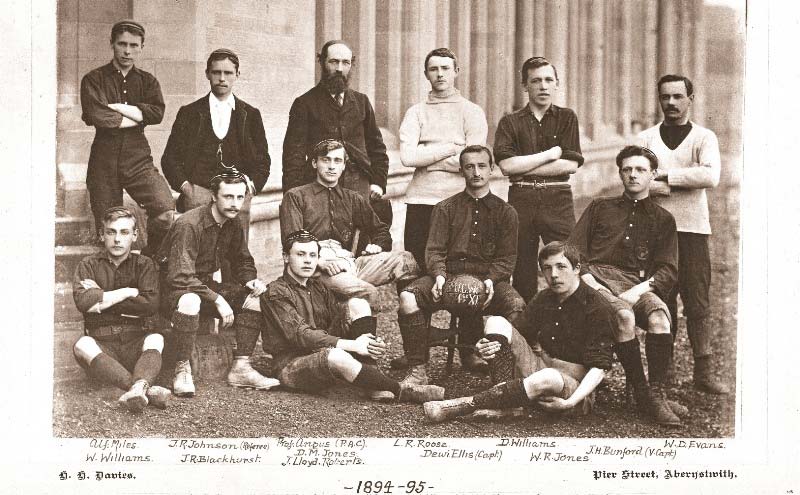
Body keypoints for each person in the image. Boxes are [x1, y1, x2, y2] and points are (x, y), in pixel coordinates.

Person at [423, 242, 614, 423]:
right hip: (540, 368)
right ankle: (506, 404)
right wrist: (482, 346)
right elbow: (515, 334)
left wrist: (570, 402)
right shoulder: (545, 297)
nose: (554, 275)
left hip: (573, 389)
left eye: (561, 267)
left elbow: (600, 368)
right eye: (547, 268)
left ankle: (463, 405)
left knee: (548, 377)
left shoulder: (597, 307)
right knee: (496, 322)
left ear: (577, 268)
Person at [568, 145, 683, 426]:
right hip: (596, 279)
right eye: (627, 169)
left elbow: (668, 268)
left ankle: (656, 393)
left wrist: (639, 290)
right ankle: (643, 395)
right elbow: (573, 251)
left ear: (653, 175)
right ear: (620, 173)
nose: (633, 175)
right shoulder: (599, 207)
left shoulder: (663, 219)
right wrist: (590, 281)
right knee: (623, 316)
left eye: (641, 170)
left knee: (659, 318)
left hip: (639, 283)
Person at [260, 229, 445, 404]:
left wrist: (367, 341)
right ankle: (402, 390)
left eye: (312, 255)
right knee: (336, 355)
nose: (307, 261)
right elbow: (301, 335)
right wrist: (354, 345)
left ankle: (371, 373)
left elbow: (337, 320)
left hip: (322, 354)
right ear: (286, 257)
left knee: (358, 304)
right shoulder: (276, 292)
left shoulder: (317, 286)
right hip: (291, 365)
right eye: (300, 254)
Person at [396, 145, 526, 385]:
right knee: (408, 297)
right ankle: (418, 371)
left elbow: (507, 259)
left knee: (516, 306)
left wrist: (490, 279)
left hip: (490, 283)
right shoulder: (445, 208)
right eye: (469, 166)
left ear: (492, 169)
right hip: (448, 278)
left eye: (481, 166)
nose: (476, 172)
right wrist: (439, 276)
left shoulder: (506, 212)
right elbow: (434, 250)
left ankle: (506, 378)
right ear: (461, 170)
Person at [637, 75, 727, 394]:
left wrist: (665, 177)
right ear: (659, 100)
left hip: (693, 231)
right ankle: (664, 372)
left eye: (678, 96)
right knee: (660, 300)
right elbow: (636, 178)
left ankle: (703, 372)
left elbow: (710, 175)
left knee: (698, 300)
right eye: (665, 97)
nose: (671, 103)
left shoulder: (704, 137)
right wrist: (655, 183)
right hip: (656, 233)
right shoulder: (646, 138)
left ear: (691, 98)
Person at [158, 169, 279, 397]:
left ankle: (241, 367)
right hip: (170, 291)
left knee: (253, 300)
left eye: (239, 197)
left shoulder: (232, 223)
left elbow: (242, 260)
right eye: (228, 197)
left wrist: (250, 280)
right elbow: (179, 277)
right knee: (190, 300)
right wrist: (218, 299)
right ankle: (182, 368)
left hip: (202, 285)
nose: (235, 204)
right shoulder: (189, 224)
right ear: (213, 196)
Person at [279, 139, 419, 302]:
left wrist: (377, 245)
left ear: (344, 166)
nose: (332, 166)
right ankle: (356, 322)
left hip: (349, 264)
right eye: (326, 160)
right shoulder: (296, 196)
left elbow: (380, 230)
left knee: (406, 260)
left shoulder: (352, 198)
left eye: (337, 161)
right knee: (368, 293)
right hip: (317, 269)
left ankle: (410, 307)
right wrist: (320, 262)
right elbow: (293, 241)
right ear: (314, 163)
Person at [80, 20, 175, 255]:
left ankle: (150, 261)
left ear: (142, 47)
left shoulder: (147, 81)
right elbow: (97, 115)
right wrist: (139, 114)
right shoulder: (93, 79)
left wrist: (117, 107)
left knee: (165, 211)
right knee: (109, 228)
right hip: (104, 159)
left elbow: (158, 113)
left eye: (134, 45)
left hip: (137, 158)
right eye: (122, 44)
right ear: (112, 44)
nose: (127, 50)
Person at [493, 56, 584, 302]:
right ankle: (526, 335)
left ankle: (566, 326)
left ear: (556, 84)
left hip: (558, 198)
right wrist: (550, 155)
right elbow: (505, 166)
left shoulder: (567, 118)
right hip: (521, 198)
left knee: (566, 261)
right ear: (525, 86)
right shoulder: (510, 122)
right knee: (522, 268)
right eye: (536, 81)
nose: (543, 86)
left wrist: (523, 166)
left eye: (548, 80)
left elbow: (571, 164)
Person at [161, 48, 271, 243]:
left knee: (235, 253)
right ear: (207, 74)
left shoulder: (250, 115)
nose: (222, 78)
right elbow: (170, 158)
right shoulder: (190, 113)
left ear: (237, 75)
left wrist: (250, 188)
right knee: (196, 248)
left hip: (237, 194)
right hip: (199, 192)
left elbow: (263, 160)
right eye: (216, 72)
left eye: (228, 73)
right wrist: (187, 188)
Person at [282, 40, 392, 226]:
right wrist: (294, 196)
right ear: (322, 63)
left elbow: (377, 148)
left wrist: (379, 183)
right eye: (334, 62)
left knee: (361, 241)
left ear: (351, 65)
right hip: (320, 187)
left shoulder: (361, 102)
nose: (340, 68)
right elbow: (293, 155)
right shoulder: (305, 103)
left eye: (345, 63)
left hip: (359, 186)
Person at [72, 206, 170, 412]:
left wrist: (102, 299)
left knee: (156, 339)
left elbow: (150, 304)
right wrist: (128, 291)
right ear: (102, 235)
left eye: (124, 232)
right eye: (111, 232)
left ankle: (136, 388)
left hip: (136, 343)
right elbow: (83, 302)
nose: (117, 239)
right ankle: (141, 387)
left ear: (134, 236)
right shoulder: (88, 265)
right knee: (82, 344)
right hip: (103, 348)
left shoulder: (145, 265)